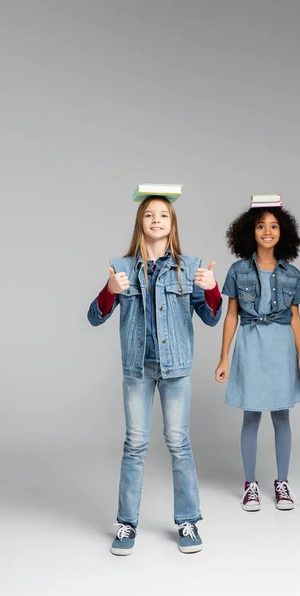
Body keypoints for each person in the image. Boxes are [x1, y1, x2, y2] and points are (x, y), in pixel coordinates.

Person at [88, 195, 222, 554]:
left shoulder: (189, 267)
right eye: (149, 214)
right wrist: (109, 291)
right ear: (140, 222)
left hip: (175, 369)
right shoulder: (121, 268)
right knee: (135, 445)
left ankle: (188, 521)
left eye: (163, 214)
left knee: (179, 444)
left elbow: (211, 318)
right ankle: (127, 524)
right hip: (137, 368)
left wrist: (211, 288)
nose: (157, 219)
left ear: (172, 224)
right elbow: (94, 317)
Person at [215, 206, 300, 512]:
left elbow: (296, 319)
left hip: (281, 346)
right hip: (250, 344)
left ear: (284, 232)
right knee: (251, 415)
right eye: (261, 226)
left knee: (282, 416)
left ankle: (281, 482)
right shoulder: (238, 270)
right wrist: (224, 358)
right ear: (250, 231)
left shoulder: (292, 274)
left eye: (273, 226)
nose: (267, 231)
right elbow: (231, 315)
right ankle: (250, 485)